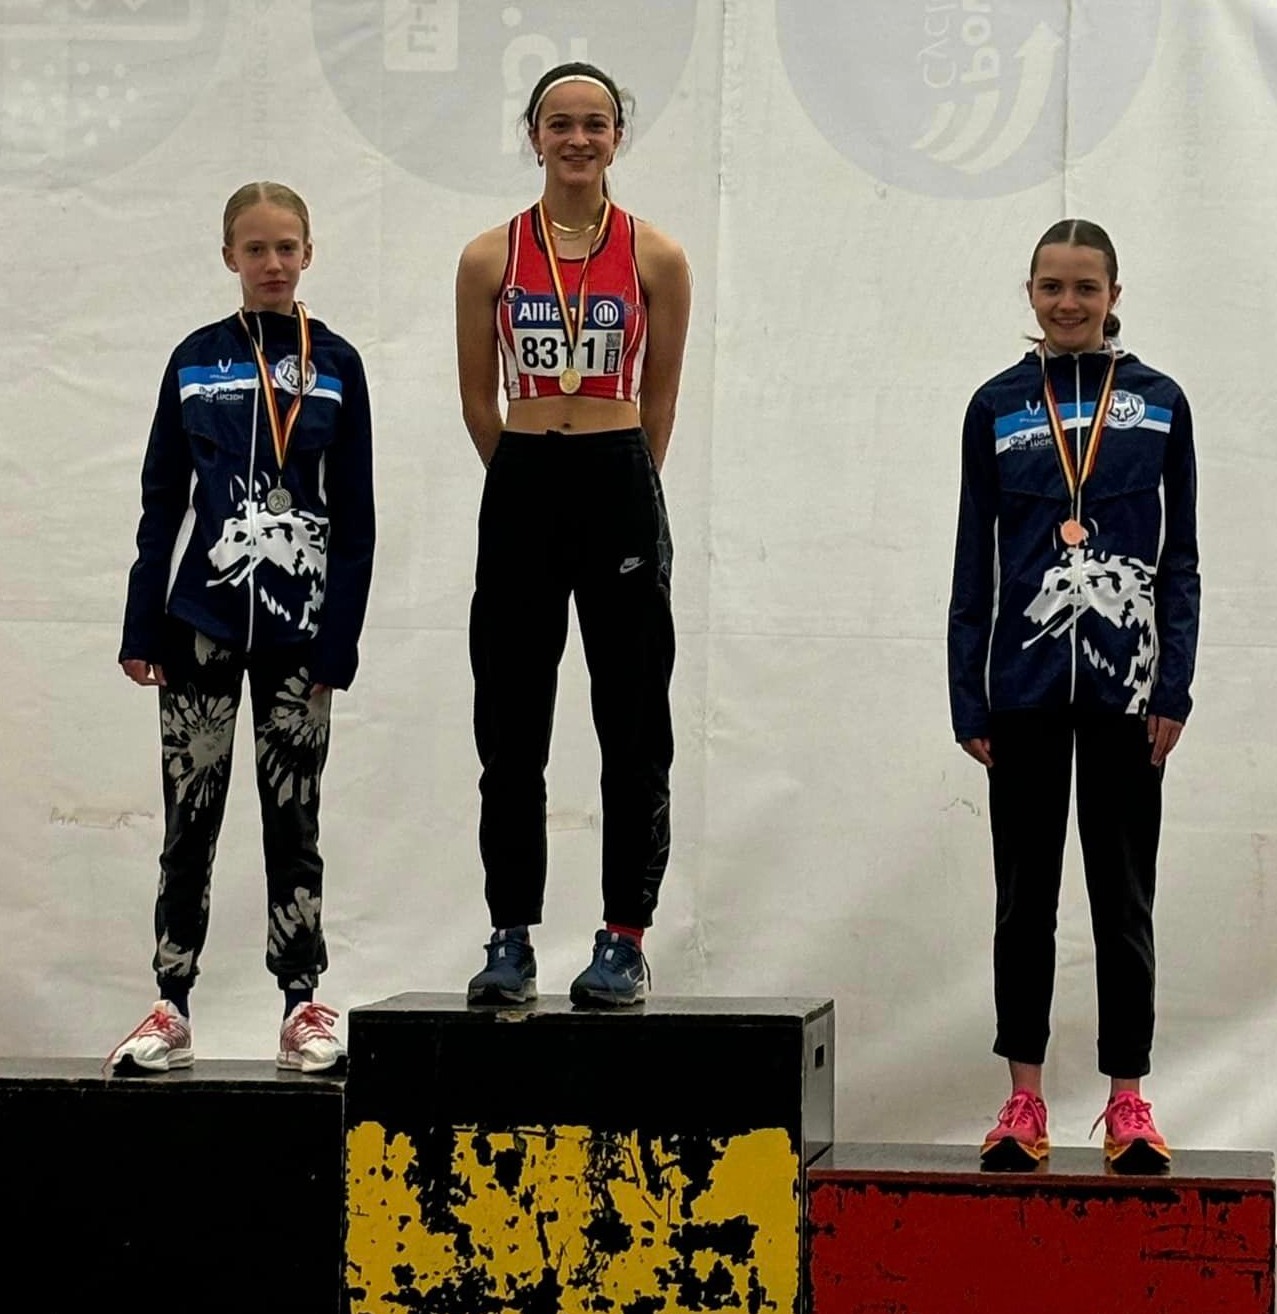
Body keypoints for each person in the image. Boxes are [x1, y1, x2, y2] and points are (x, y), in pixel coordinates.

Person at [947, 219, 1199, 1170]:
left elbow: (1181, 561)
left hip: (1127, 696)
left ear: (1113, 295)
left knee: (1122, 901)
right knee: (1024, 903)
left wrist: (1172, 685)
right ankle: (1023, 1101)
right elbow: (973, 558)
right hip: (1020, 691)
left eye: (1085, 288)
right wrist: (967, 694)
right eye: (1051, 287)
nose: (1067, 303)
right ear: (1029, 294)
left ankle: (1127, 1100)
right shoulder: (996, 406)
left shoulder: (1159, 404)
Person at [108, 181, 375, 1074]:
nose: (272, 263)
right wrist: (142, 624)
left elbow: (357, 516)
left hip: (300, 632)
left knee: (294, 820)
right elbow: (162, 499)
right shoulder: (195, 360)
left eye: (286, 247)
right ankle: (171, 1002)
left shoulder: (336, 364)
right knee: (190, 819)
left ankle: (301, 1003)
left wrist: (340, 639)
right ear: (229, 256)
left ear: (309, 254)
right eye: (255, 249)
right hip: (200, 623)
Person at [455, 62, 691, 1008]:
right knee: (511, 725)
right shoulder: (489, 257)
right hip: (522, 477)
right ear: (534, 136)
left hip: (617, 475)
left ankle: (623, 937)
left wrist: (627, 481)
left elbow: (660, 396)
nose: (578, 139)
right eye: (560, 123)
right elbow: (478, 399)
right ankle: (509, 935)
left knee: (632, 723)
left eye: (595, 123)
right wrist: (524, 477)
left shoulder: (655, 256)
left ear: (617, 138)